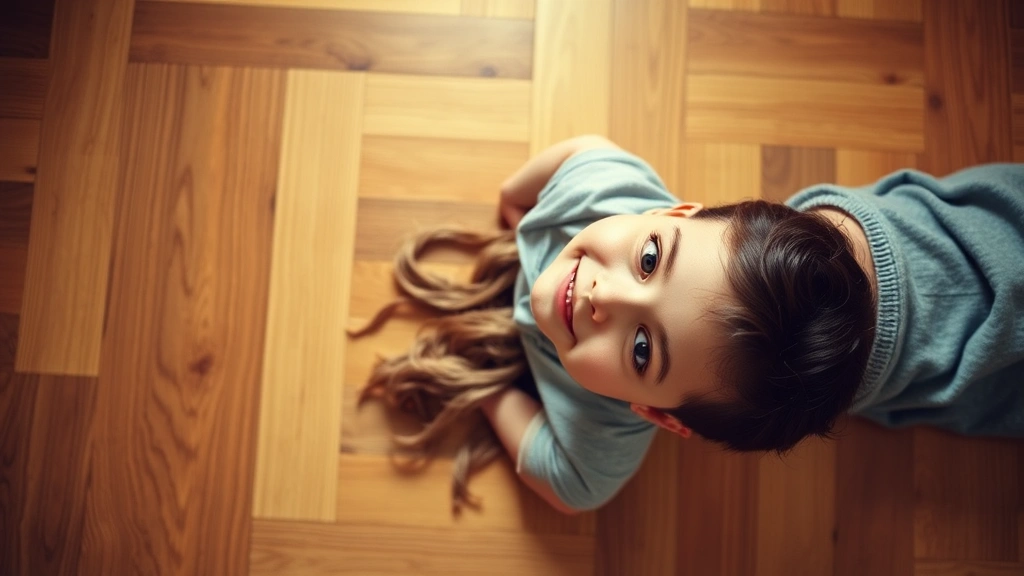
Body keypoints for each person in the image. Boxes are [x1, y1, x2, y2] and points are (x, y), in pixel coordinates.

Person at [354, 135, 1024, 515]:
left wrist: (490, 389)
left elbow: (571, 488)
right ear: (674, 214)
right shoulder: (602, 190)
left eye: (642, 348)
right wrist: (514, 195)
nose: (601, 296)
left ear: (660, 415)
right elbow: (578, 152)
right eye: (648, 258)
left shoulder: (608, 419)